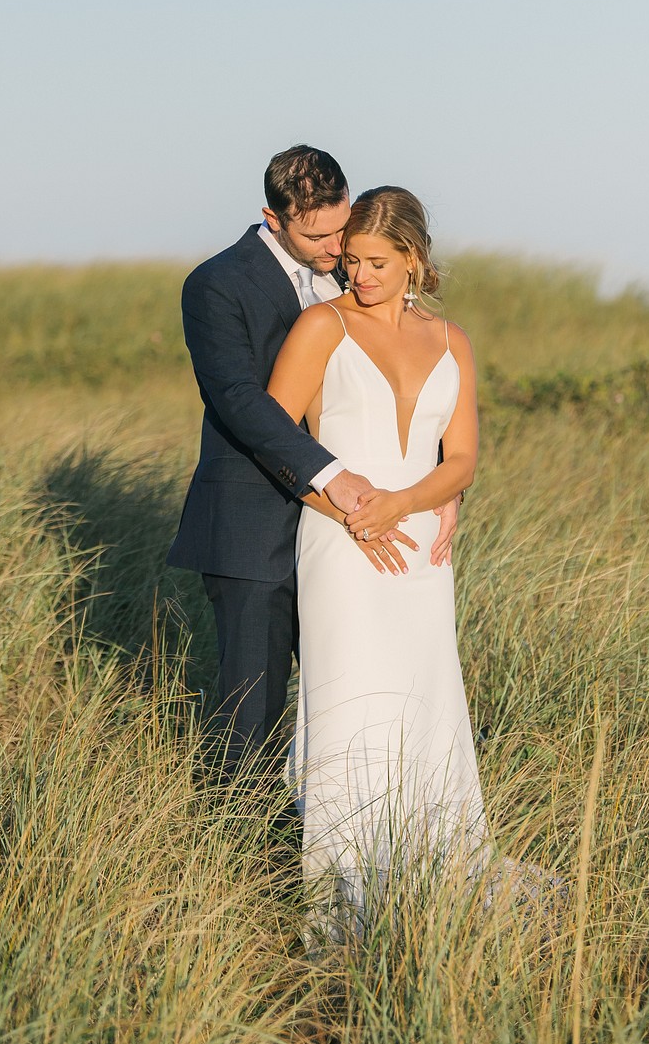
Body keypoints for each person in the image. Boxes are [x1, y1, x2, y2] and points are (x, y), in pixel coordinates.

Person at [168, 148, 460, 778]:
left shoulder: (354, 270)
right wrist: (332, 477)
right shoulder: (217, 284)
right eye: (318, 235)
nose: (337, 248)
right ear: (272, 218)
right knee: (253, 712)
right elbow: (241, 402)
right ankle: (245, 861)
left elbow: (400, 379)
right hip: (255, 522)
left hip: (359, 527)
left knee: (358, 695)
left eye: (342, 227)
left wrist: (439, 483)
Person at [267, 185, 490, 934]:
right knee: (352, 699)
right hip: (341, 543)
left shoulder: (451, 340)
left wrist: (405, 503)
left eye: (376, 263)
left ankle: (431, 873)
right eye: (352, 260)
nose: (358, 275)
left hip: (423, 552)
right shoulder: (321, 324)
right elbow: (278, 444)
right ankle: (342, 893)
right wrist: (357, 514)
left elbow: (460, 460)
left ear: (414, 260)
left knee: (425, 701)